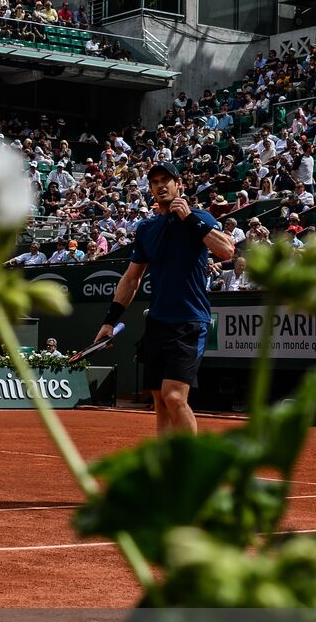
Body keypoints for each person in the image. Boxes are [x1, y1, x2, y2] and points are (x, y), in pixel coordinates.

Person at [95, 162, 235, 435]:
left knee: (174, 396)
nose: (160, 185)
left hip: (190, 322)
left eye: (166, 180)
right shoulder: (147, 229)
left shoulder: (199, 218)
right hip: (158, 323)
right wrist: (109, 321)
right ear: (150, 189)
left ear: (178, 184)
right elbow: (131, 279)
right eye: (155, 182)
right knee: (159, 400)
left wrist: (189, 219)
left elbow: (228, 250)